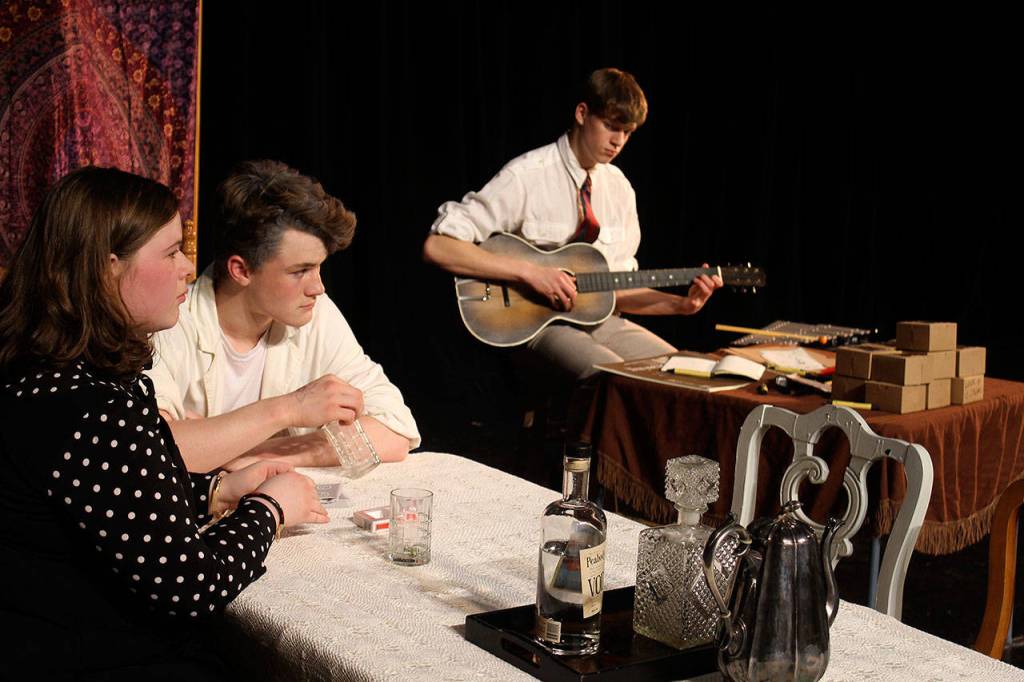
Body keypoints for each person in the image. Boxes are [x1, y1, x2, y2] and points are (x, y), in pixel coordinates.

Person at [0, 166, 328, 679]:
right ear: (109, 269)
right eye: (171, 252)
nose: (187, 268)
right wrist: (270, 509)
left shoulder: (51, 375)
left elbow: (102, 499)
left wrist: (215, 490)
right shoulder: (90, 408)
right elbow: (189, 587)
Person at [423, 68, 724, 381]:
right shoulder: (527, 175)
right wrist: (532, 273)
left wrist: (683, 305)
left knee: (683, 376)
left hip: (600, 320)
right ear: (582, 113)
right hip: (536, 324)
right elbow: (438, 246)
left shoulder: (619, 188)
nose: (618, 141)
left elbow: (616, 291)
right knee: (615, 382)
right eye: (611, 126)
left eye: (628, 132)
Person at [146, 160, 420, 474]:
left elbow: (397, 430)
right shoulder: (169, 323)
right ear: (241, 270)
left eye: (318, 267)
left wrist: (248, 452)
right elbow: (152, 451)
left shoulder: (315, 315)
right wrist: (292, 408)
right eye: (299, 271)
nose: (318, 287)